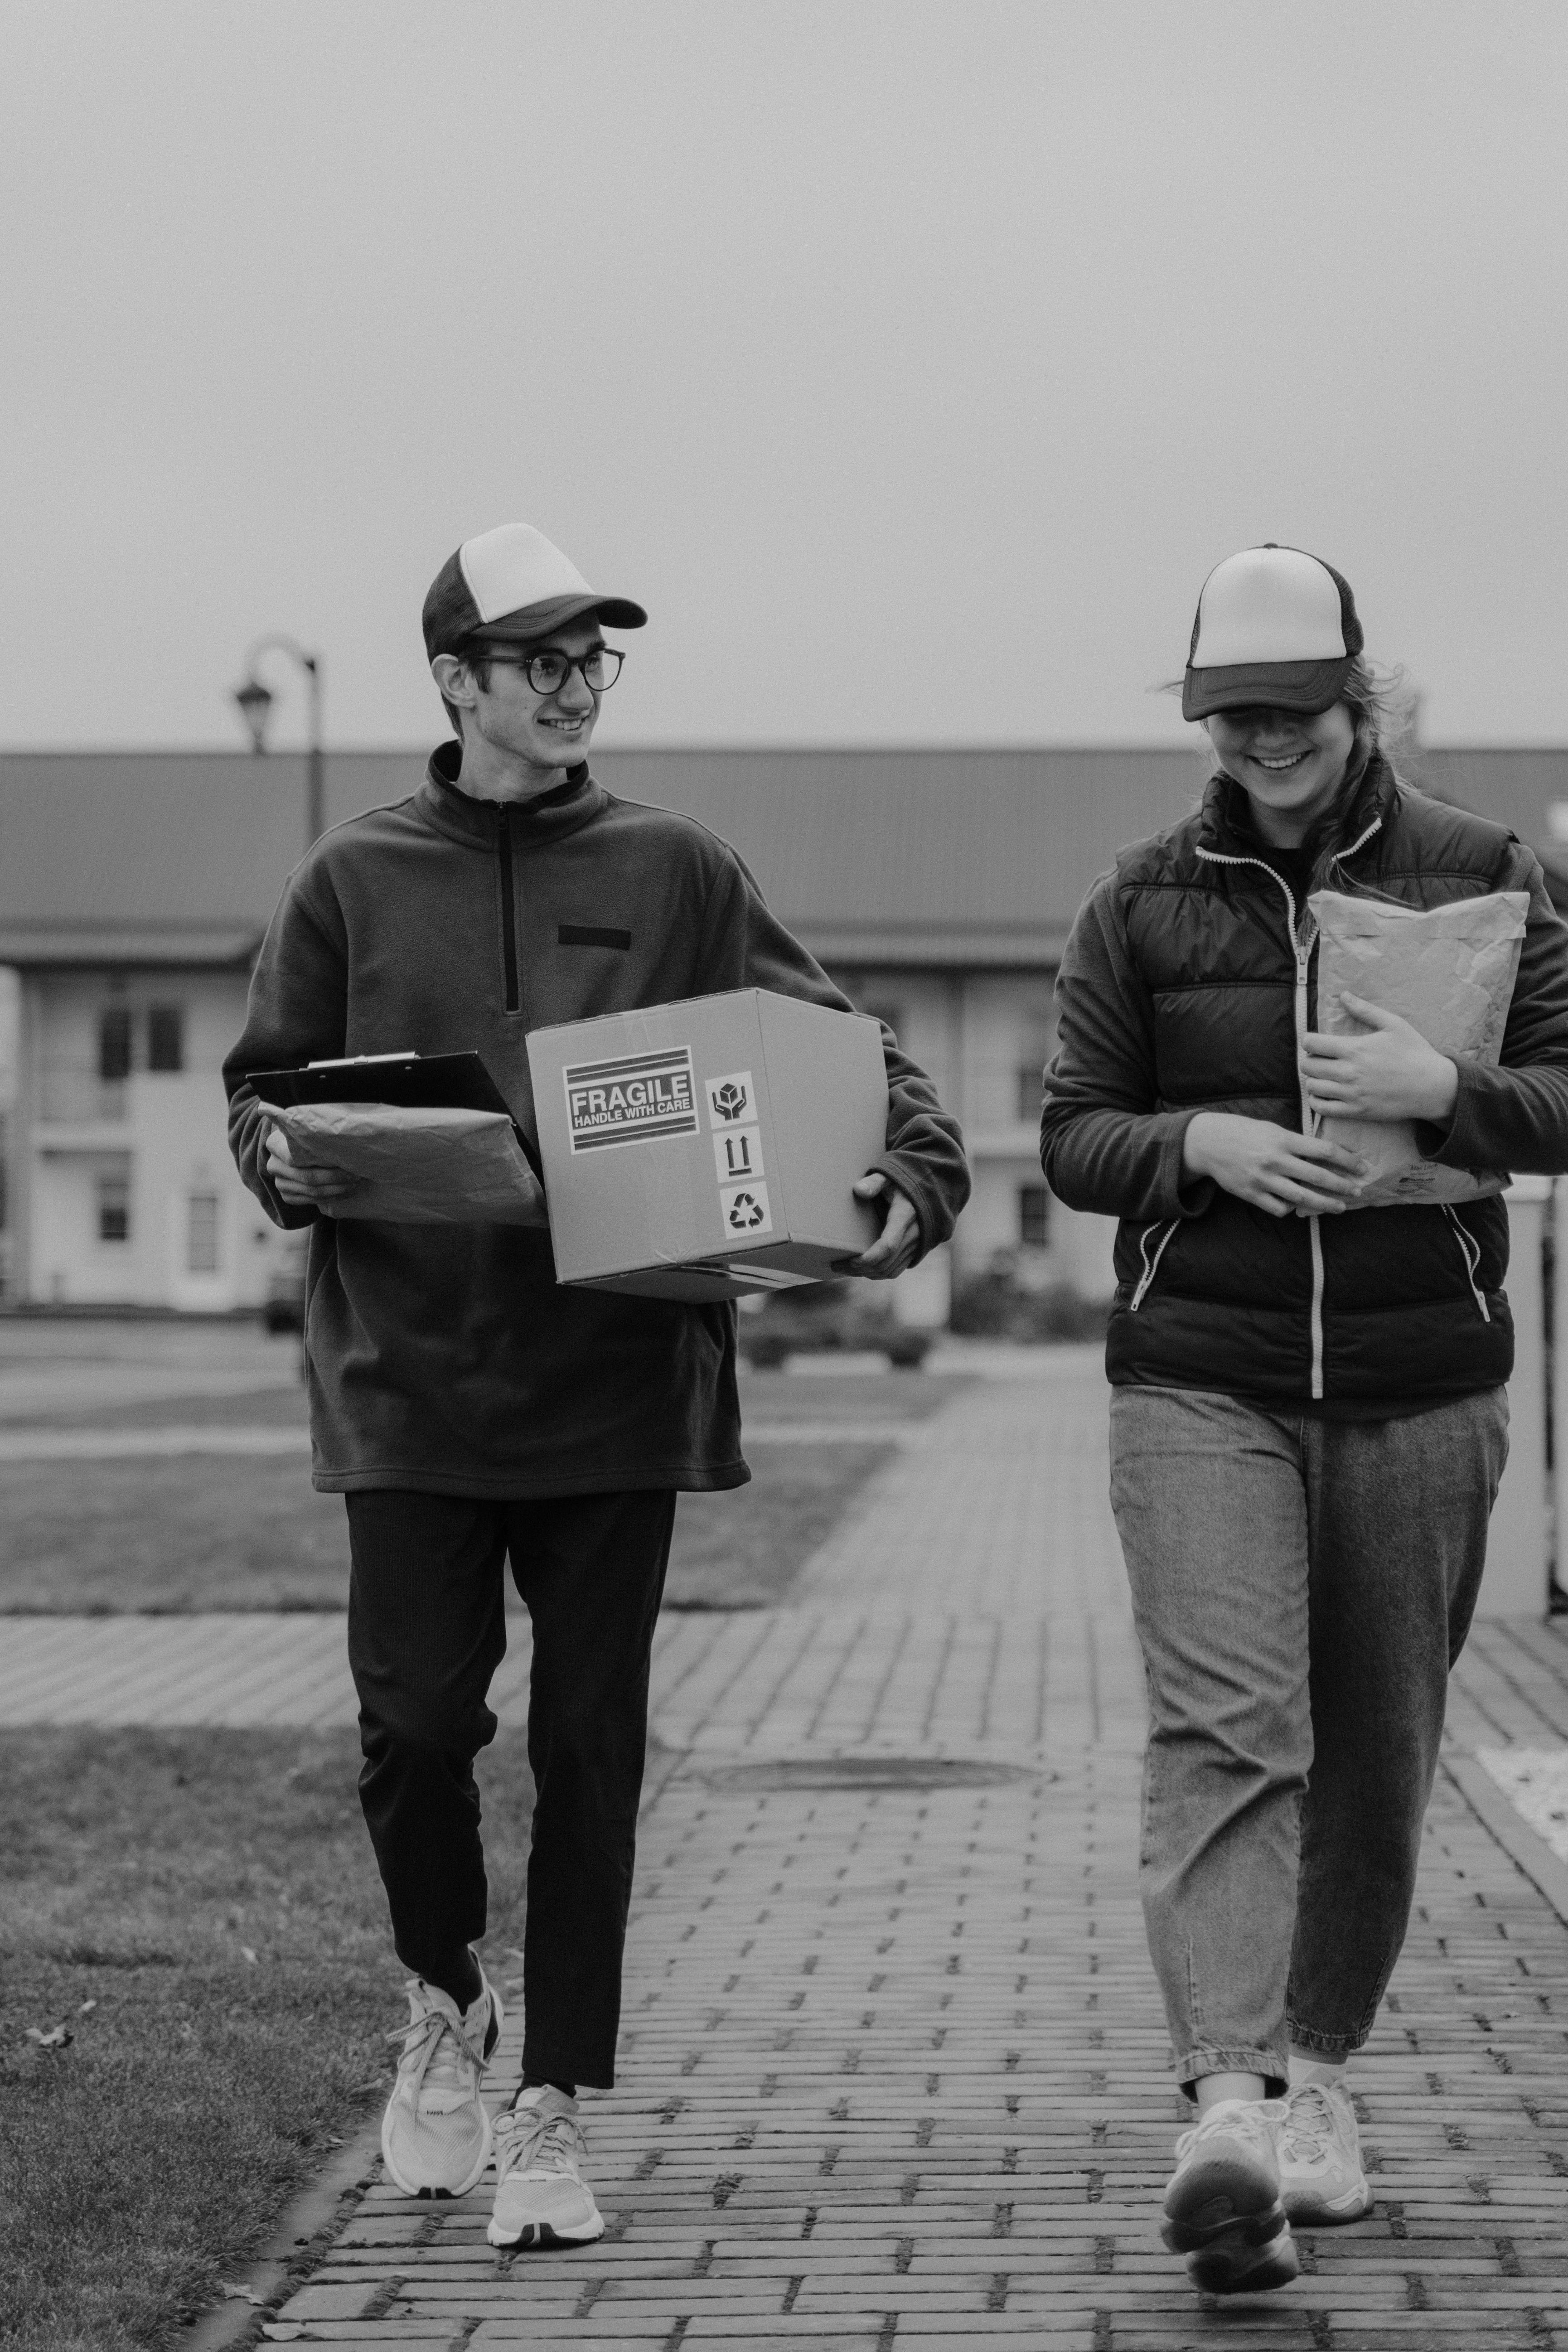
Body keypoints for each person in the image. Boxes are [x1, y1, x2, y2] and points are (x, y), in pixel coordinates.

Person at [224, 522, 968, 2250]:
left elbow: (856, 1063)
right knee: (414, 1738)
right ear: (456, 680)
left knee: (588, 1751)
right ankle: (442, 1999)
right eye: (540, 660)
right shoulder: (349, 877)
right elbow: (263, 1105)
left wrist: (907, 1184)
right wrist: (290, 1160)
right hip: (406, 1382)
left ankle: (550, 2106)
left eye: (591, 661)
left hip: (617, 1385)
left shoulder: (676, 867)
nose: (571, 690)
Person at [1040, 543, 1568, 2296]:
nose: (1260, 742)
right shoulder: (1138, 899)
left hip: (1423, 1381)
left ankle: (1319, 2070)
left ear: (1357, 700)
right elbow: (1072, 1132)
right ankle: (1227, 2107)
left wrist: (1447, 1093)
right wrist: (1194, 1145)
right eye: (1228, 716)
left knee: (1376, 1754)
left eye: (1290, 711)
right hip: (1202, 1372)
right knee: (1225, 1732)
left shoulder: (1485, 876)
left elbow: (1562, 1093)